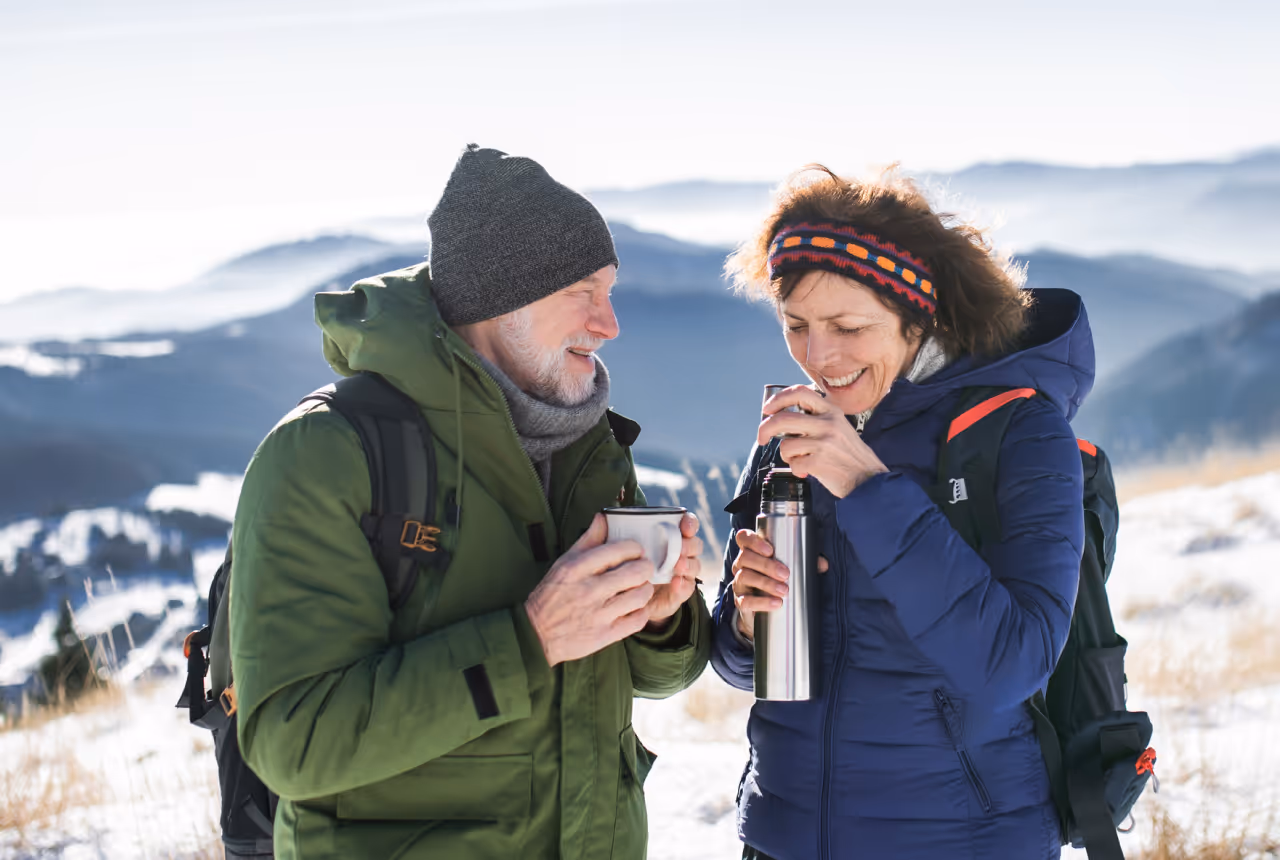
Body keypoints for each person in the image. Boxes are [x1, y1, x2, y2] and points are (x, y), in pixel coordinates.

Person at [229, 144, 711, 860]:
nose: (609, 324)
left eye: (609, 291)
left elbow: (650, 676)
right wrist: (530, 641)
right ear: (502, 297)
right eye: (583, 291)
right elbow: (295, 742)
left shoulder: (586, 445)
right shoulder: (328, 451)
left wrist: (662, 619)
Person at [710, 165, 1092, 859]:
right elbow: (741, 667)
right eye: (794, 325)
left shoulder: (1018, 431)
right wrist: (744, 619)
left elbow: (1013, 664)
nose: (819, 357)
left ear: (918, 316)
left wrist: (866, 487)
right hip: (781, 833)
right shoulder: (797, 430)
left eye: (848, 327)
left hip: (960, 838)